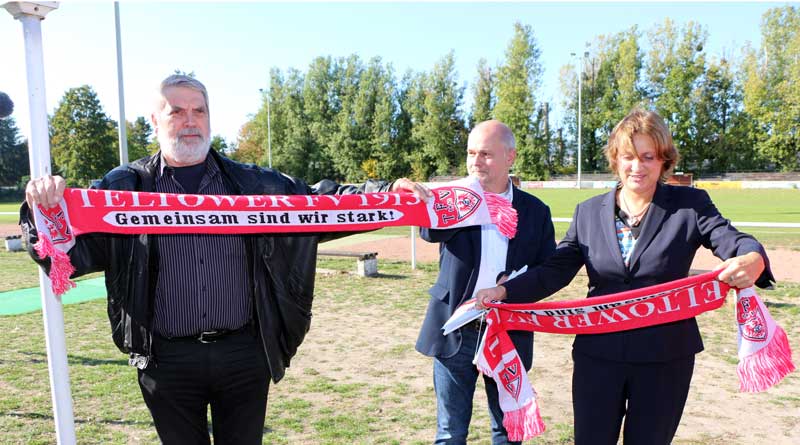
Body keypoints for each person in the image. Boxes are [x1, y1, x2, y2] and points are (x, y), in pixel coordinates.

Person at [20, 74, 429, 445]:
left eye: (199, 110)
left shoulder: (253, 184)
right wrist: (46, 209)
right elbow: (74, 255)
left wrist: (388, 191)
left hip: (244, 354)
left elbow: (324, 202)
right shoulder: (125, 186)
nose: (190, 120)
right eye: (176, 111)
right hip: (166, 360)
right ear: (155, 120)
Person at [475, 109, 774, 445]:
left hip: (665, 359)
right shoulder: (587, 212)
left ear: (664, 161)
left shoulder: (691, 205)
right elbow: (555, 270)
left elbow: (729, 238)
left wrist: (752, 256)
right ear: (615, 159)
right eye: (629, 156)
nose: (637, 166)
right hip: (597, 357)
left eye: (648, 157)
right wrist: (505, 291)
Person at [415, 120, 556, 444]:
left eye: (486, 154)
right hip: (456, 330)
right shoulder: (454, 198)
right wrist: (449, 200)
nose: (475, 162)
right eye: (471, 153)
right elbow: (429, 231)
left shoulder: (536, 212)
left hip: (508, 331)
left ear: (510, 157)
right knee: (450, 433)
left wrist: (515, 286)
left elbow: (547, 272)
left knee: (507, 433)